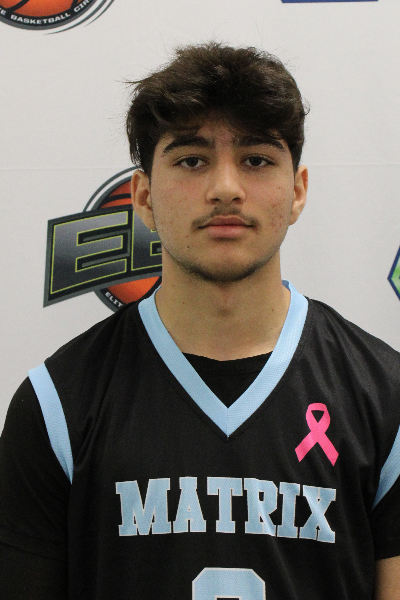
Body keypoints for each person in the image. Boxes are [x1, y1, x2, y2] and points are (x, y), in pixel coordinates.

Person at [0, 42, 399, 600]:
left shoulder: (385, 397)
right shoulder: (57, 405)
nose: (225, 188)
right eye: (192, 160)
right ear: (143, 196)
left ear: (297, 191)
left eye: (256, 159)